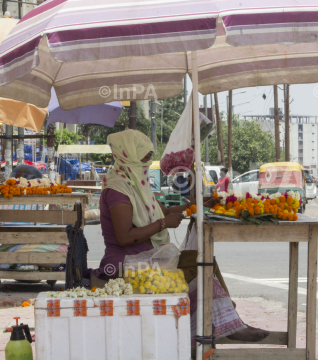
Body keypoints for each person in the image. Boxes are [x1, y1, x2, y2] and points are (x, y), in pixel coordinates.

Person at [89, 130, 269, 344]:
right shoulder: (118, 189)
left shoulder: (136, 183)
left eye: (149, 159)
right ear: (129, 156)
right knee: (200, 268)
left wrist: (197, 205)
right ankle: (213, 327)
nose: (147, 164)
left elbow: (163, 211)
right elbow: (125, 237)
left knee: (206, 261)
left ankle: (232, 320)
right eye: (144, 159)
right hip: (127, 265)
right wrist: (162, 225)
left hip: (149, 256)